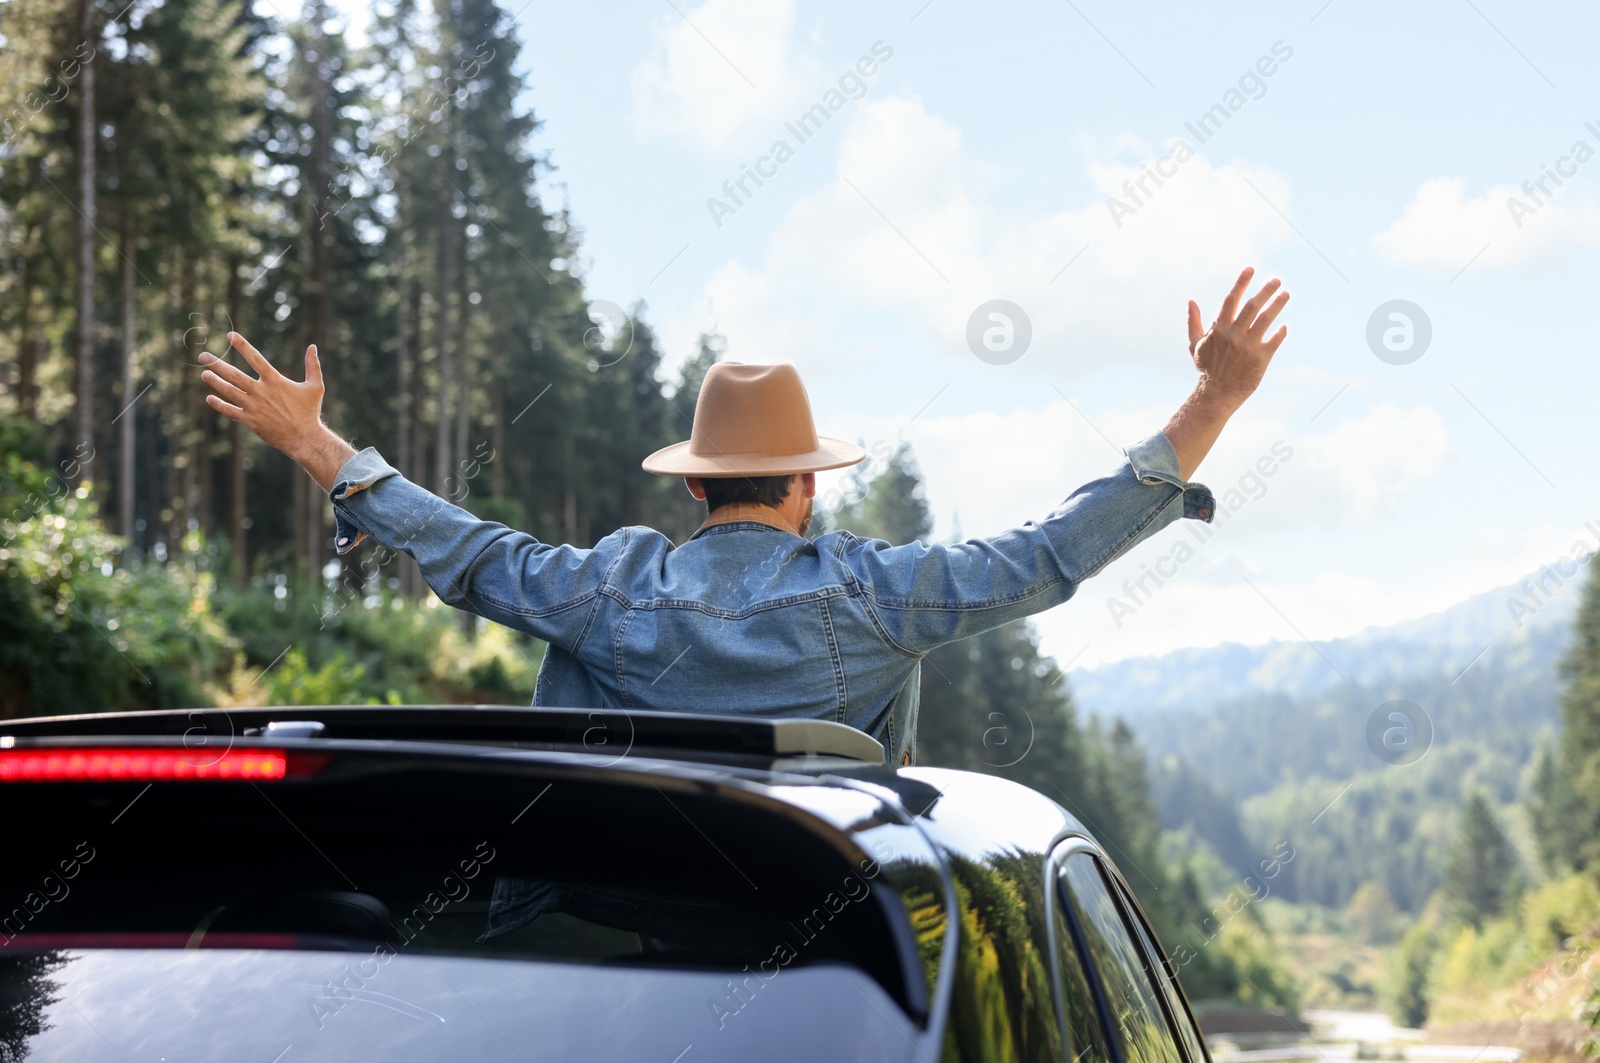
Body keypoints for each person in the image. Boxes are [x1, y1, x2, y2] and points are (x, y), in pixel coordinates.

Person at [199, 267, 1289, 765]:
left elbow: (471, 552)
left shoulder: (610, 589)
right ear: (806, 487)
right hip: (835, 915)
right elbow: (1051, 553)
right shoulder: (876, 592)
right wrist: (1211, 400)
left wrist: (318, 445)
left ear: (692, 484)